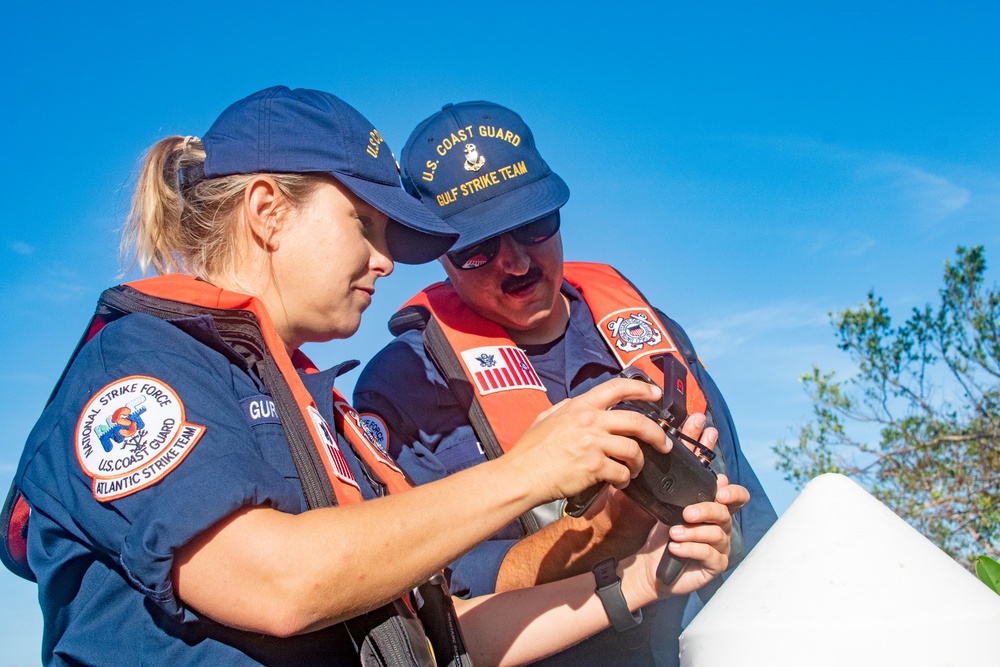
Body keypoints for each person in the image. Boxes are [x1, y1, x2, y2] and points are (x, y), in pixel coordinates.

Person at [3, 86, 745, 667]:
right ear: (268, 210)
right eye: (367, 226)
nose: (386, 261)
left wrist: (638, 581)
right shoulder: (142, 363)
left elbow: (443, 635)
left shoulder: (334, 420)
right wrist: (529, 470)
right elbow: (278, 583)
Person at [353, 101, 779, 666]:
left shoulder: (648, 330)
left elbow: (756, 518)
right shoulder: (400, 386)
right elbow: (449, 597)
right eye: (478, 248)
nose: (515, 262)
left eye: (531, 224)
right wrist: (608, 535)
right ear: (438, 255)